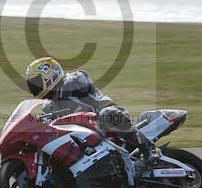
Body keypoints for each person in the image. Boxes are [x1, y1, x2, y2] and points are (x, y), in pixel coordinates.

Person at [24, 56, 159, 166]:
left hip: (109, 119)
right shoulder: (48, 107)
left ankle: (149, 148)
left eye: (36, 82)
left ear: (50, 75)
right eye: (32, 85)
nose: (34, 88)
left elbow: (82, 78)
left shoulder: (72, 81)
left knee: (107, 115)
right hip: (87, 137)